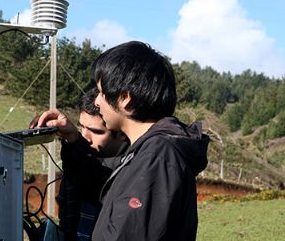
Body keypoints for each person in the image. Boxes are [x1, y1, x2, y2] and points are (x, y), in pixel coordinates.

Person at [33, 41, 210, 241]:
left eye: (101, 92)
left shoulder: (157, 157)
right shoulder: (147, 152)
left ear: (125, 98)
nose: (97, 101)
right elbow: (104, 185)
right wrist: (74, 139)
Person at [58, 88, 128, 241]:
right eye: (81, 127)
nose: (85, 137)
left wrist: (75, 144)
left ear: (121, 132)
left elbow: (100, 182)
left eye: (95, 131)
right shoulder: (79, 156)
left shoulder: (133, 167)